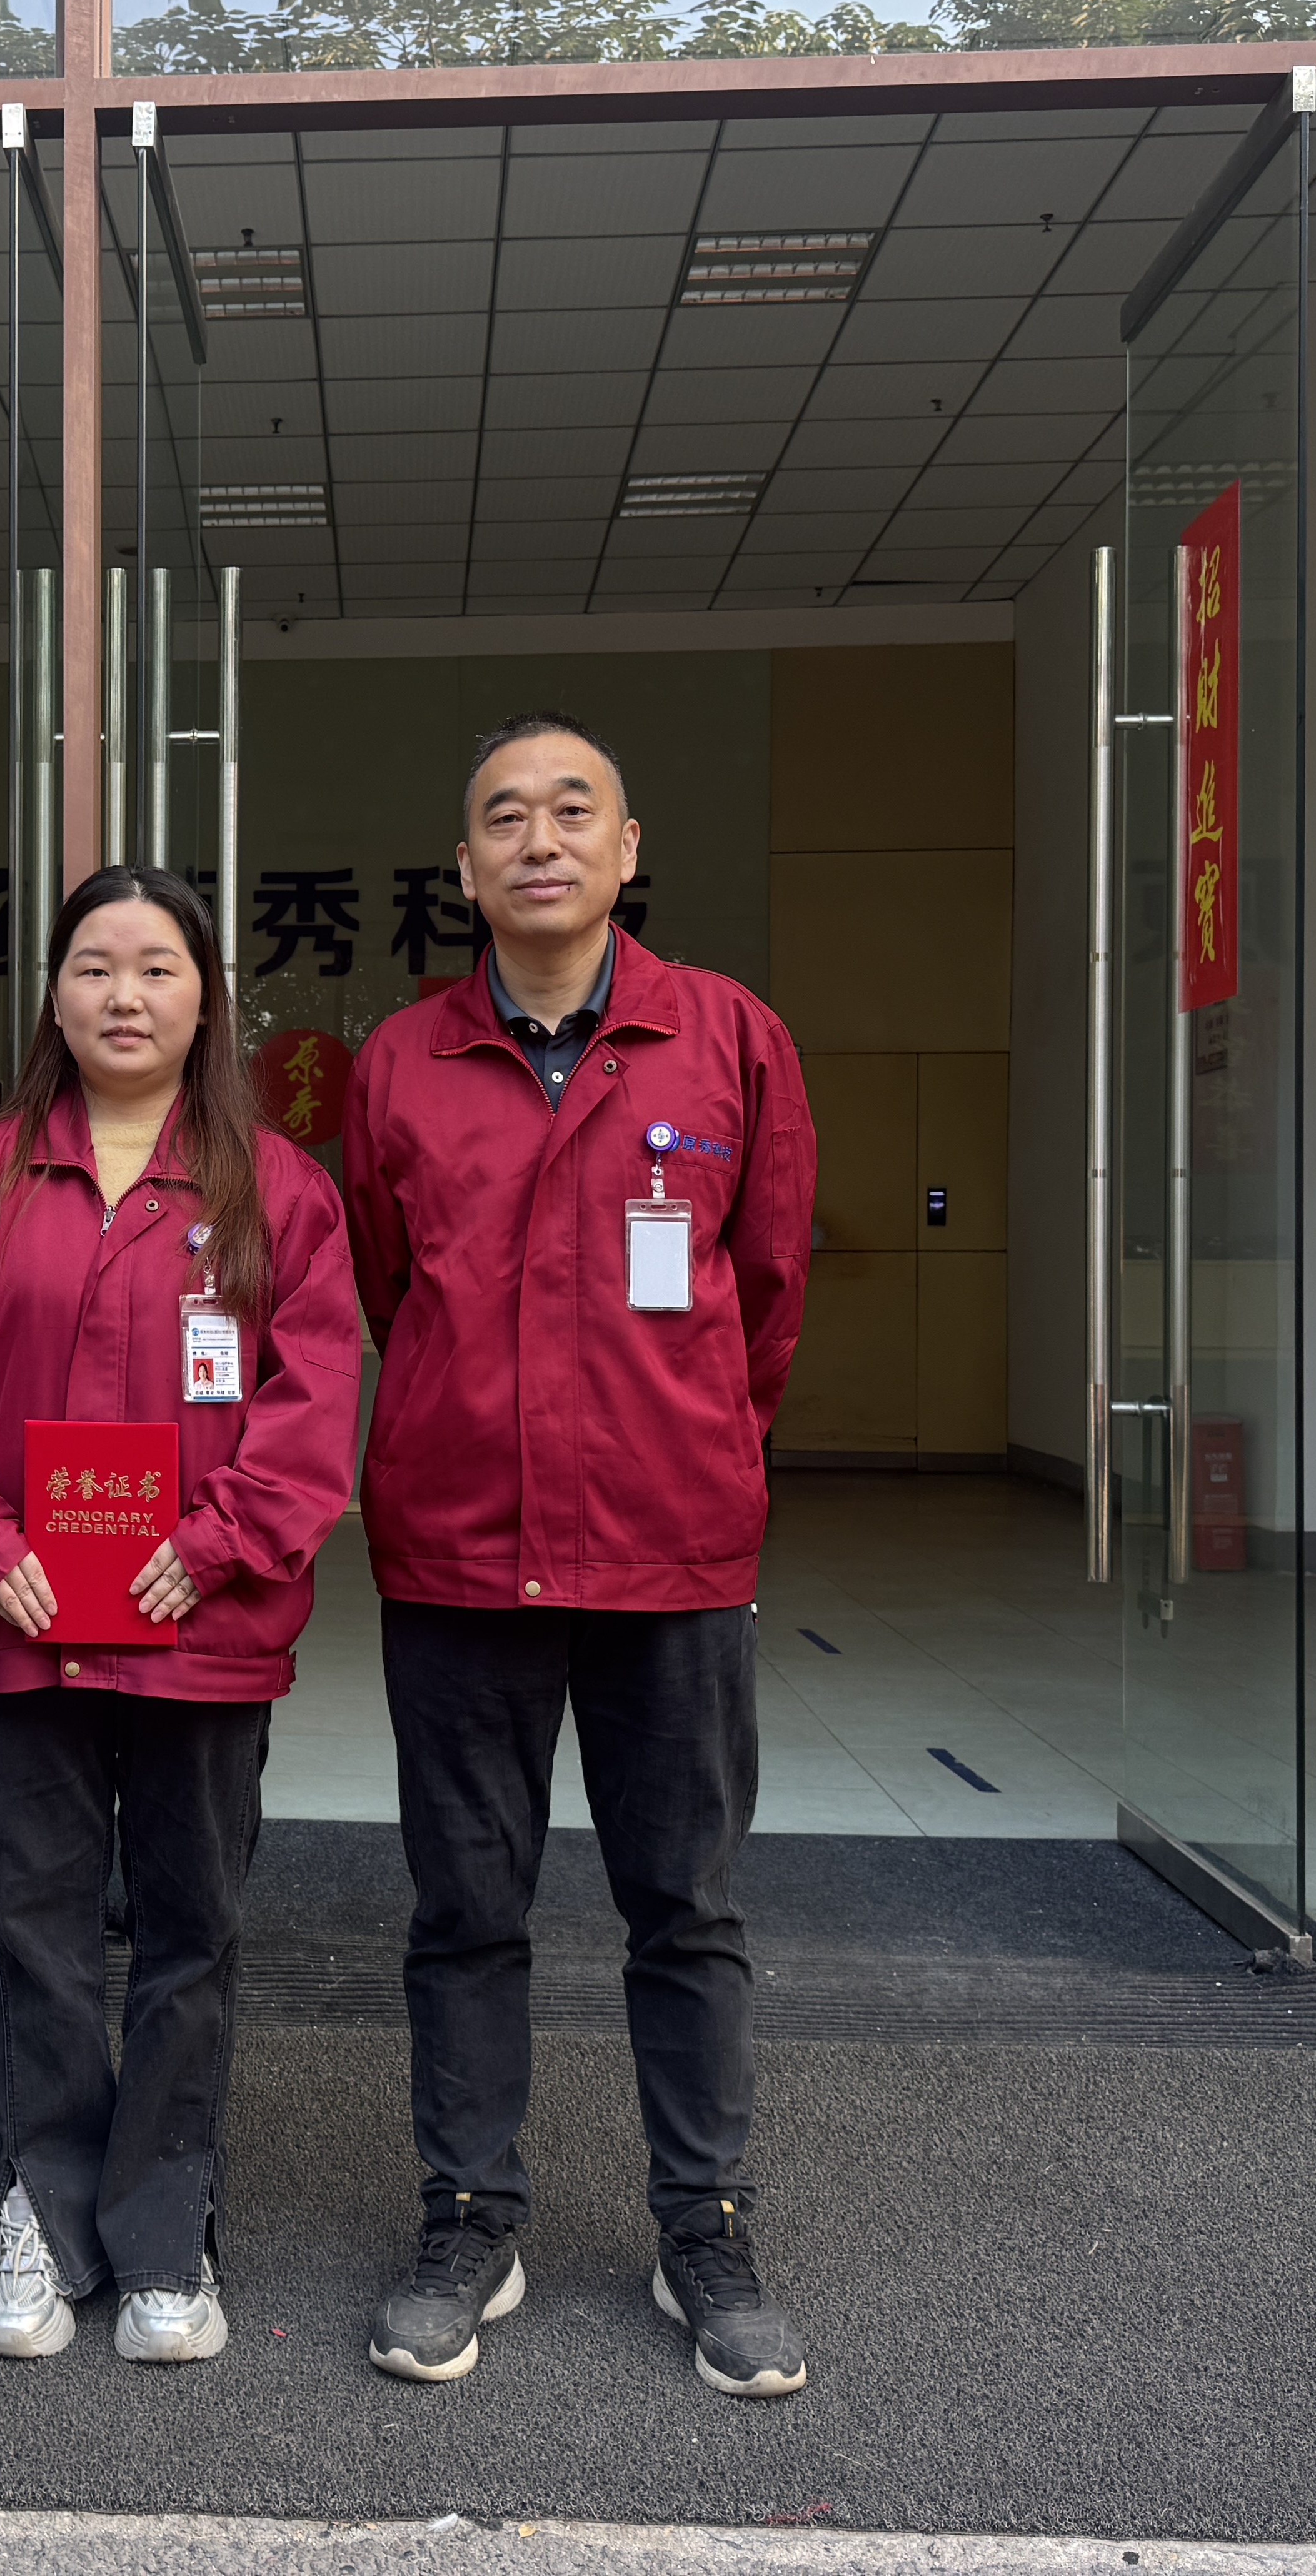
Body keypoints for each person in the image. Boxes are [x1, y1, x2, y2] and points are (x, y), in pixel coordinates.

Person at [339, 712, 818, 2400]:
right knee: (466, 1909)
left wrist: (682, 1442)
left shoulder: (729, 1039)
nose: (537, 839)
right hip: (459, 1556)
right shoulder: (400, 1063)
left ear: (626, 851)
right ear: (465, 870)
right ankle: (470, 2218)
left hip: (668, 1552)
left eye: (571, 811)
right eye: (503, 818)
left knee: (684, 1907)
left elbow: (768, 1295)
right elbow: (390, 1287)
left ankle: (706, 2227)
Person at [0, 865, 361, 2367]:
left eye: (157, 967)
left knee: (193, 1935)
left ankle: (163, 2234)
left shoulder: (278, 1190)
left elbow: (314, 1399)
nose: (124, 995)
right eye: (94, 966)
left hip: (204, 1631)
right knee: (36, 1931)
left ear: (207, 997)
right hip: (24, 1629)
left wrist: (220, 1545)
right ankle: (40, 2210)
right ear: (55, 995)